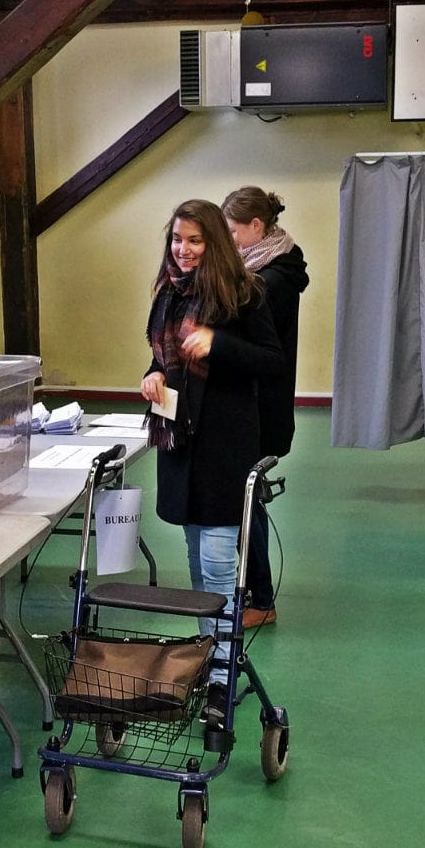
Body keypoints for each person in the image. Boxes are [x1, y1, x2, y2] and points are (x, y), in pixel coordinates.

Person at [140, 200, 282, 723]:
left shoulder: (244, 293)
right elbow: (162, 356)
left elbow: (271, 362)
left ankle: (222, 682)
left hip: (223, 447)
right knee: (198, 565)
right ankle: (210, 661)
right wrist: (154, 375)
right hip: (182, 446)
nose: (183, 249)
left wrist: (218, 343)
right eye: (178, 239)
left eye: (195, 241)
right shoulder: (168, 294)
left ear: (214, 245)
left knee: (221, 570)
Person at [222, 185, 309, 629]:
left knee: (247, 502)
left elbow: (250, 348)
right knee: (247, 501)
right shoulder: (269, 268)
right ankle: (252, 590)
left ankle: (260, 597)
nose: (229, 239)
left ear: (257, 227)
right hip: (255, 406)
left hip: (259, 408)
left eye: (233, 230)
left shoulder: (268, 281)